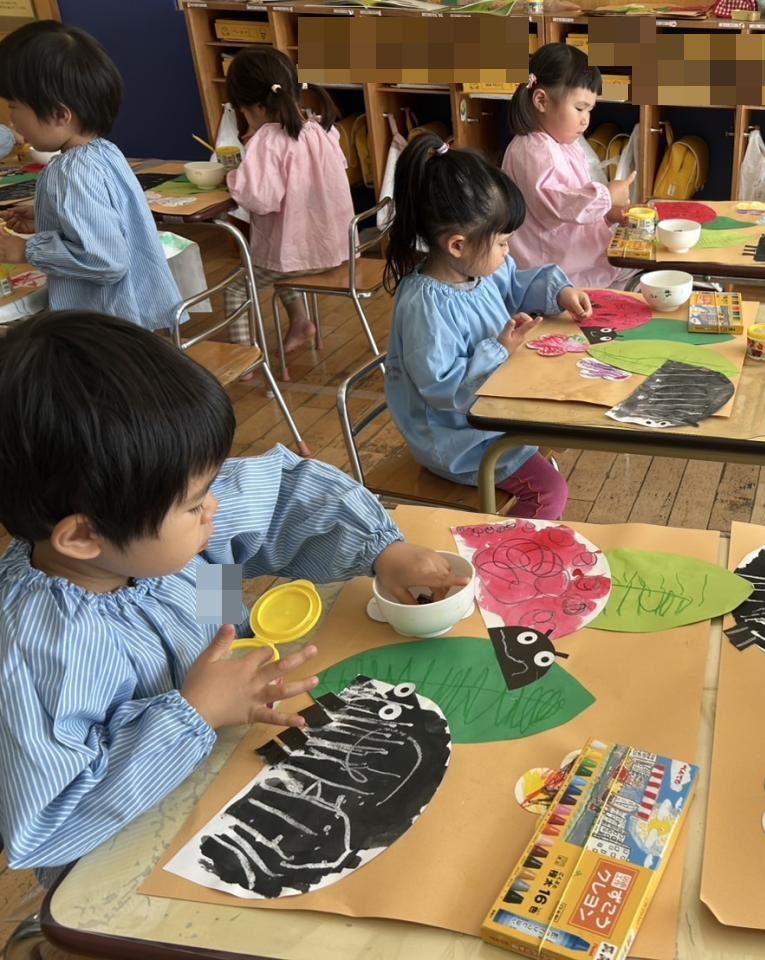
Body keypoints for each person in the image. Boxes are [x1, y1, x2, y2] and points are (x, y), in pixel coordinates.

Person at [0, 311, 465, 878]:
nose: (214, 509)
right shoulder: (38, 648)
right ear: (82, 537)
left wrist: (381, 550)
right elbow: (47, 825)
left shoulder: (164, 541)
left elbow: (282, 494)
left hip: (240, 757)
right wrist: (193, 712)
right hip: (142, 864)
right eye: (196, 503)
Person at [384, 135, 592, 519]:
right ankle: (504, 553)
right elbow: (443, 388)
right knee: (549, 493)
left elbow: (516, 286)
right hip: (458, 440)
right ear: (457, 245)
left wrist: (559, 292)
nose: (508, 252)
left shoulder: (478, 270)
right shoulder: (426, 305)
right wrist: (499, 350)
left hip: (493, 414)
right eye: (502, 243)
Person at [0, 22, 183, 332]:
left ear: (60, 114)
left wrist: (24, 250)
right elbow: (109, 223)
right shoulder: (105, 152)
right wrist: (48, 220)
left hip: (103, 325)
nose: (12, 120)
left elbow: (105, 260)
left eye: (14, 107)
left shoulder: (69, 172)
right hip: (130, 317)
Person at [225, 46, 354, 352]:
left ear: (257, 107)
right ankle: (301, 321)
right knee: (279, 253)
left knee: (235, 289)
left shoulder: (267, 142)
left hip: (301, 259)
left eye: (243, 112)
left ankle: (243, 360)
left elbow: (259, 199)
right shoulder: (322, 130)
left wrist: (233, 176)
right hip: (338, 248)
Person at [501, 43, 634, 290]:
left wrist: (607, 215)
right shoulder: (534, 151)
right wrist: (607, 195)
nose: (585, 120)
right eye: (579, 108)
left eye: (590, 110)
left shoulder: (562, 144)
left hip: (572, 258)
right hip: (553, 273)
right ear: (541, 100)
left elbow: (573, 209)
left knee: (642, 262)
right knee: (637, 279)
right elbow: (560, 206)